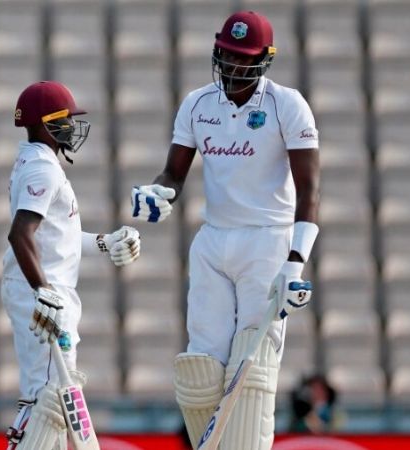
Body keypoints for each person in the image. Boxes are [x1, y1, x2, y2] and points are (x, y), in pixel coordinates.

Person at [130, 11, 320, 450]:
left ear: (265, 60)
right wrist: (159, 193)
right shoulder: (198, 104)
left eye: (244, 59)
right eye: (227, 56)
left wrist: (295, 261)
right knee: (200, 368)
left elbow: (309, 189)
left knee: (251, 371)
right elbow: (173, 174)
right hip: (214, 240)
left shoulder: (287, 105)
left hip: (268, 241)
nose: (233, 68)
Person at [2, 80, 141, 449]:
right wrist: (43, 292)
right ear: (45, 123)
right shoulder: (42, 170)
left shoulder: (37, 163)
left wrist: (103, 242)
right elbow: (20, 235)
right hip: (43, 289)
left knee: (52, 393)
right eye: (65, 119)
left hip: (43, 286)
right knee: (50, 395)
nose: (72, 126)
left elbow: (55, 236)